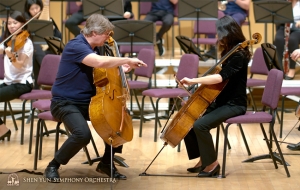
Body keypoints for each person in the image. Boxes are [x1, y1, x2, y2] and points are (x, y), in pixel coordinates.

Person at [43, 13, 146, 182]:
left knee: (116, 123)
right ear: (94, 33)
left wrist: (121, 68)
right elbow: (99, 62)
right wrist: (125, 59)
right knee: (82, 134)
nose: (108, 38)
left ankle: (106, 163)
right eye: (106, 34)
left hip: (89, 101)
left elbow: (102, 70)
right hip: (65, 102)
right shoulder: (76, 45)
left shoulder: (97, 48)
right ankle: (53, 165)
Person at [180, 15, 251, 177]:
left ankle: (212, 164)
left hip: (234, 104)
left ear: (229, 33)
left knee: (200, 125)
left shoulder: (239, 55)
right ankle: (204, 159)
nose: (218, 37)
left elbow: (220, 78)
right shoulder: (229, 51)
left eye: (220, 34)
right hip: (222, 100)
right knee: (190, 118)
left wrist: (193, 80)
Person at [0, 11, 34, 141]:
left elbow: (19, 65)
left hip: (22, 83)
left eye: (15, 22)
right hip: (9, 82)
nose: (12, 26)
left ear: (23, 24)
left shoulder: (27, 43)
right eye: (9, 23)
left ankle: (3, 131)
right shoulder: (8, 41)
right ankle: (3, 129)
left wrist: (11, 56)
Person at [24, 0, 62, 89]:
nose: (35, 11)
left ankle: (37, 88)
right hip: (33, 51)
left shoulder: (48, 20)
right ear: (28, 10)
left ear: (40, 7)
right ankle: (51, 75)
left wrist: (53, 30)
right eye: (31, 9)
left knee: (36, 53)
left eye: (36, 8)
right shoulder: (27, 23)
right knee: (35, 49)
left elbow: (59, 37)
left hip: (48, 49)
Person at [65, 0, 134, 38]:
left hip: (112, 14)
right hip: (87, 11)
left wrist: (128, 13)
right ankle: (85, 38)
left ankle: (112, 48)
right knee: (70, 22)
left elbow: (130, 12)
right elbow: (78, 3)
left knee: (115, 26)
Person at [274, 0, 300, 80]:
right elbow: (276, 17)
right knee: (278, 39)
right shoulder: (283, 2)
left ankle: (292, 68)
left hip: (298, 27)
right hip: (284, 25)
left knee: (293, 40)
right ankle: (279, 69)